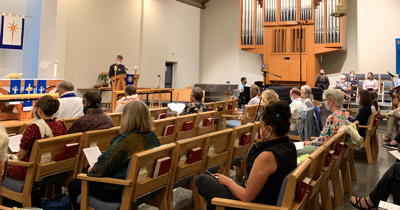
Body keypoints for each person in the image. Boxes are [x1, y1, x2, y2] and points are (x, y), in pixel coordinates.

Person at [195, 101, 297, 209]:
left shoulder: (267, 156)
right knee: (214, 185)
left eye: (261, 126)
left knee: (202, 180)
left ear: (268, 130)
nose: (259, 129)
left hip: (253, 206)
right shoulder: (289, 146)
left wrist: (227, 180)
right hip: (266, 200)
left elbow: (246, 196)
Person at [68, 101, 160, 210]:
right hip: (142, 186)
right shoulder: (152, 136)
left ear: (127, 118)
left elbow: (105, 166)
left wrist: (91, 170)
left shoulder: (126, 140)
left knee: (74, 183)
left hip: (118, 190)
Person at [7, 95, 67, 180]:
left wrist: (11, 157)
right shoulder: (61, 125)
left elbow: (20, 156)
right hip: (50, 166)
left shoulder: (34, 128)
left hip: (30, 170)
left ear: (39, 110)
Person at [300, 89, 350, 154]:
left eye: (325, 100)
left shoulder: (332, 117)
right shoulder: (343, 114)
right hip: (331, 148)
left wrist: (310, 142)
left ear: (331, 101)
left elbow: (324, 139)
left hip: (324, 150)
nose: (325, 102)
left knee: (296, 150)